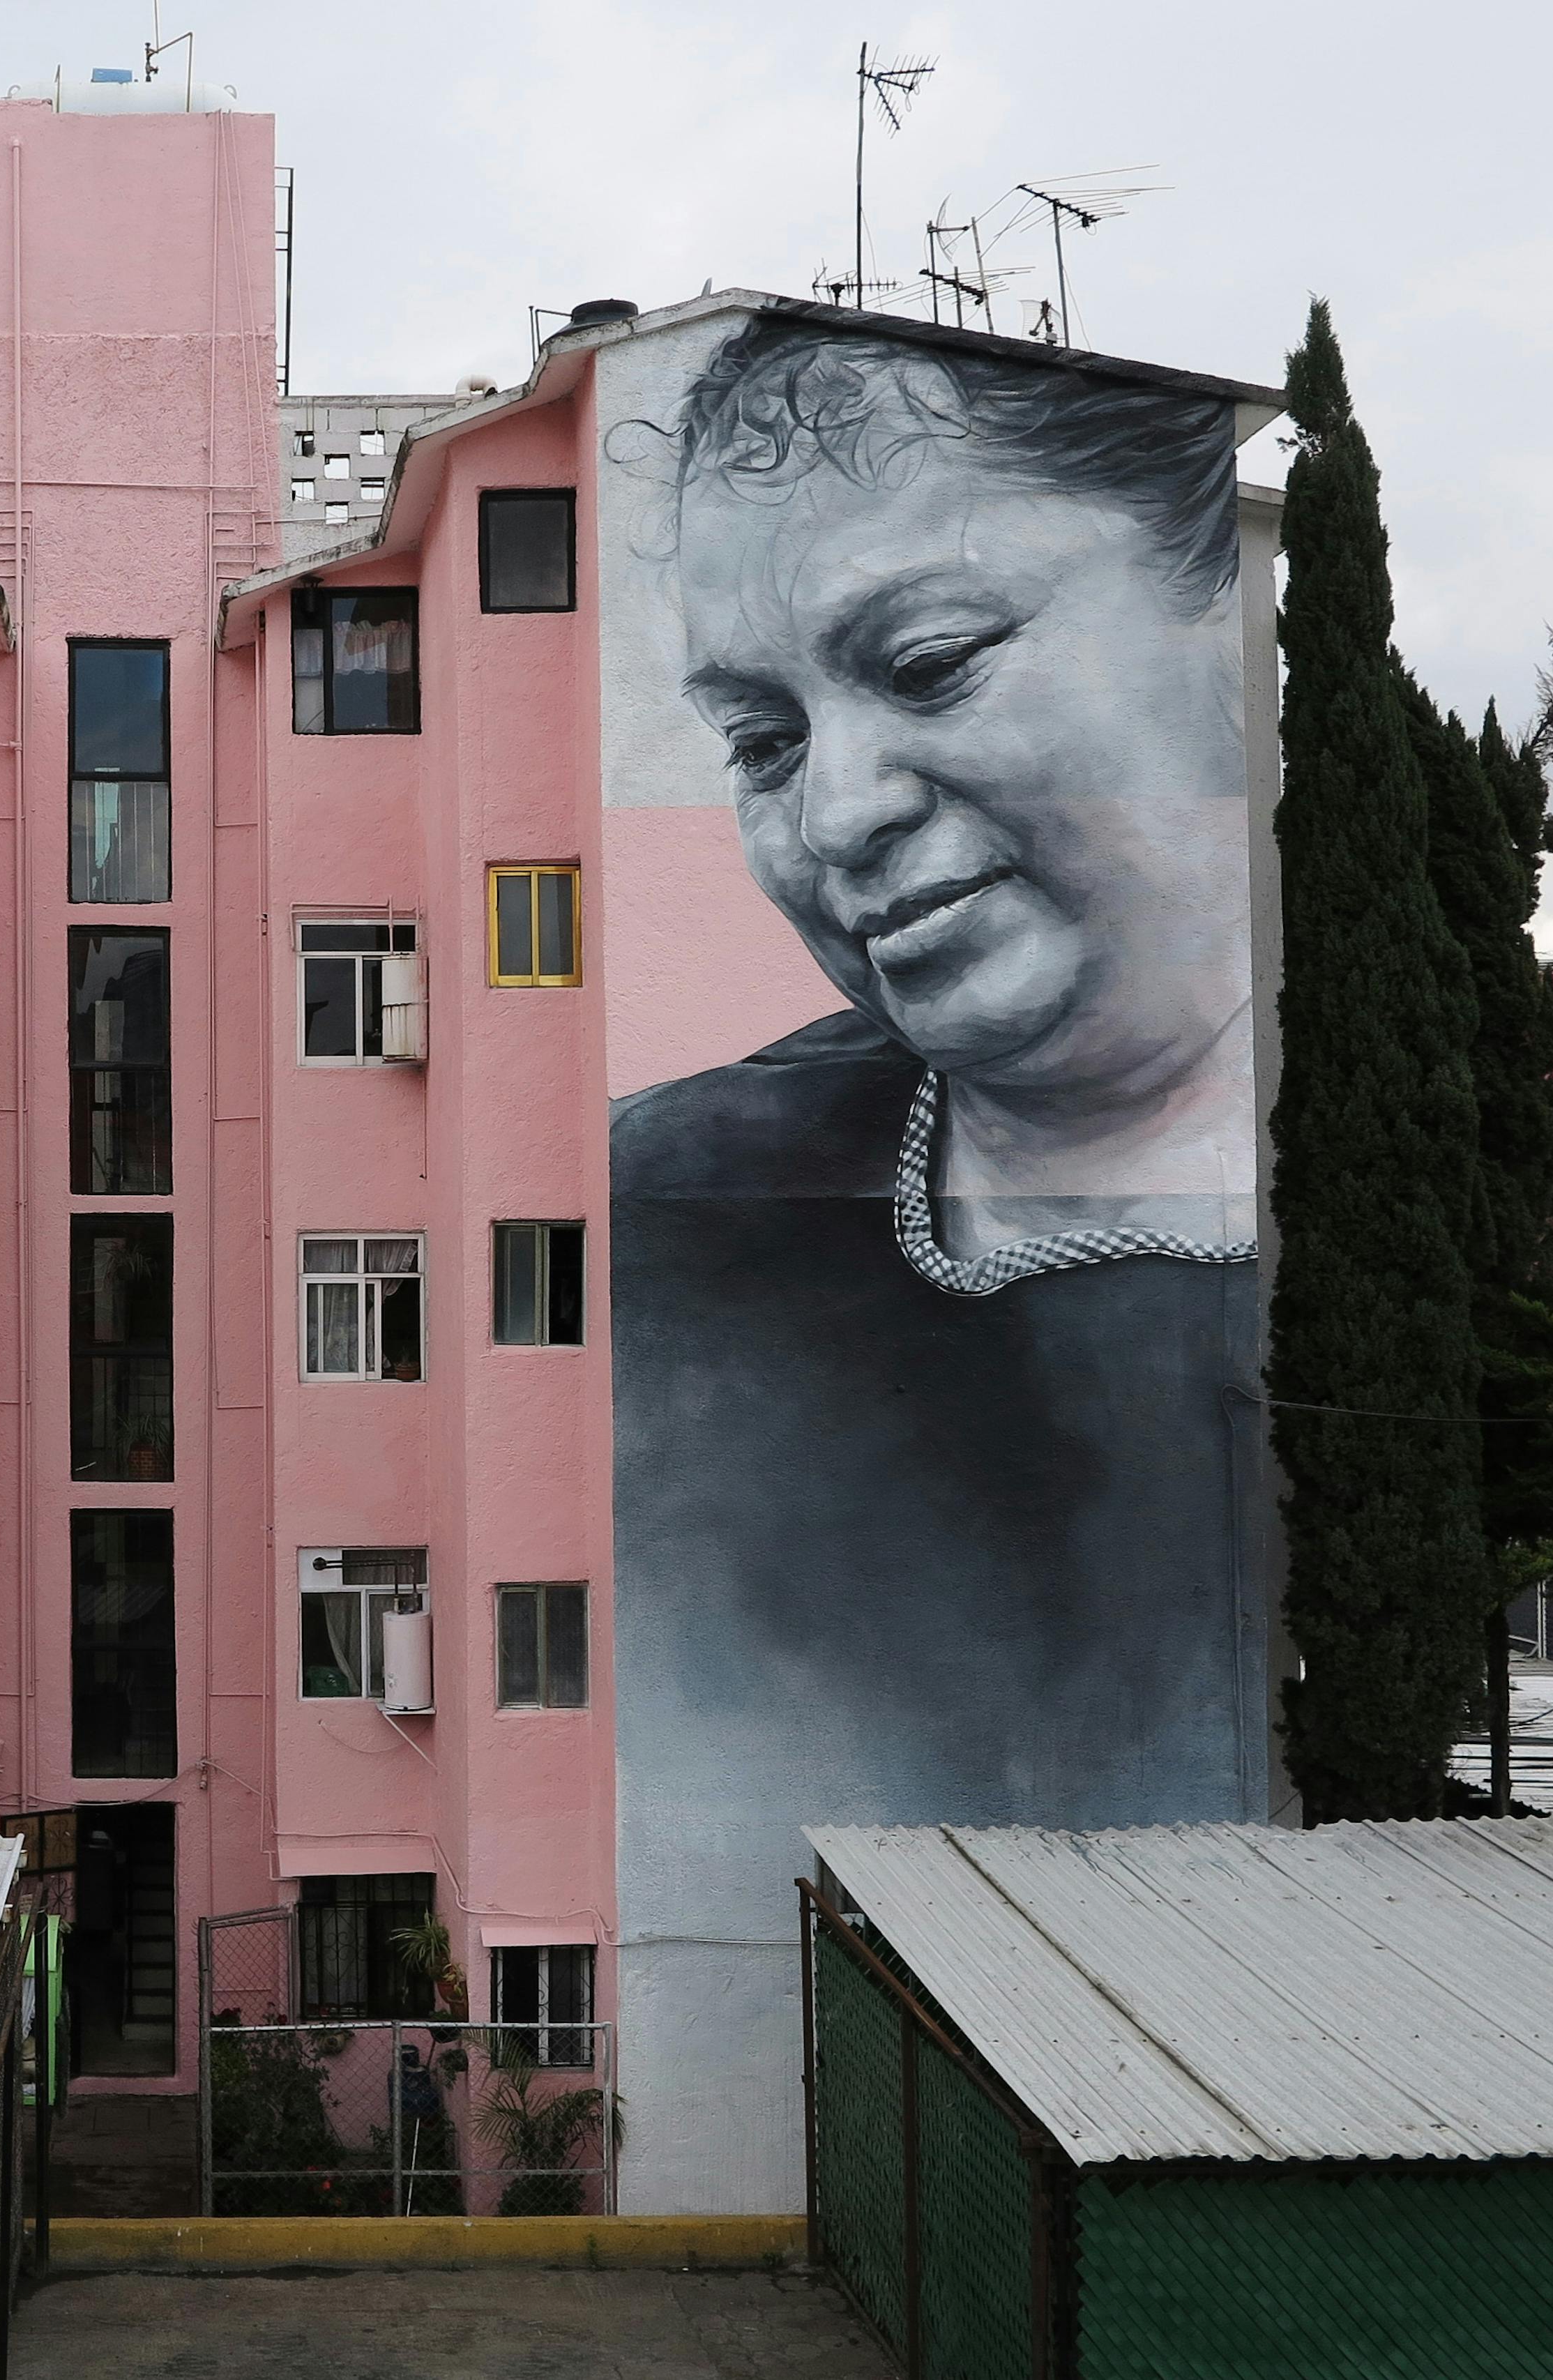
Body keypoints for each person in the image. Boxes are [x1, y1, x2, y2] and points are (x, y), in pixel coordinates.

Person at [609, 314, 1270, 1928]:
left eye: (926, 665)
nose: (837, 814)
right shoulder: (649, 1210)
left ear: (1225, 617)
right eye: (764, 743)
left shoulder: (1426, 1138)